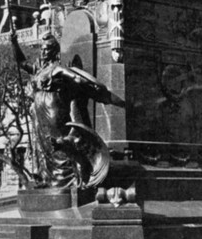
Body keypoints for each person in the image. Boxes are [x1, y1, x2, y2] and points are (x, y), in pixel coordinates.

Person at [16, 34, 124, 189]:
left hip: (54, 112)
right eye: (42, 49)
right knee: (44, 147)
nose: (43, 52)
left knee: (60, 147)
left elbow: (75, 77)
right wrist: (14, 42)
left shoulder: (58, 68)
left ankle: (71, 181)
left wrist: (84, 82)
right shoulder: (39, 69)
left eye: (47, 50)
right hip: (40, 116)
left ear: (54, 52)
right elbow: (21, 62)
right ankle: (48, 179)